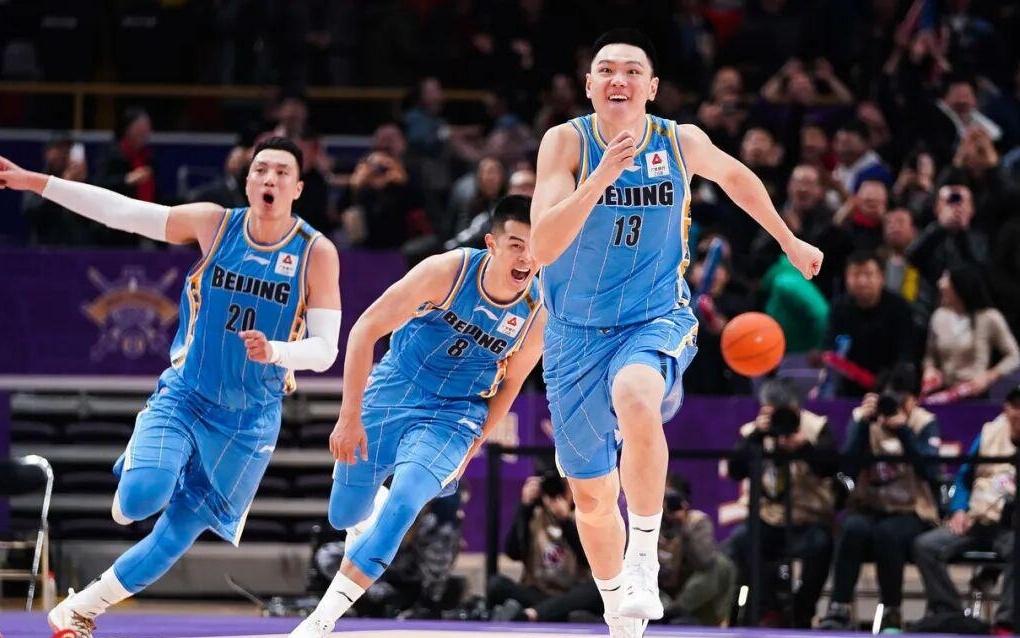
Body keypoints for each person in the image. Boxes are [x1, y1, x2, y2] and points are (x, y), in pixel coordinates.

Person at [529, 28, 823, 637]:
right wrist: (600, 177)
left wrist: (789, 240)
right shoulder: (565, 143)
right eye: (606, 69)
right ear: (589, 85)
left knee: (635, 395)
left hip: (653, 317)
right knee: (590, 498)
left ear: (652, 87)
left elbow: (738, 178)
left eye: (632, 70)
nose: (618, 79)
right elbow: (544, 244)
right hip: (574, 333)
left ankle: (644, 555)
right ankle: (618, 607)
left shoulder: (679, 140)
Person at [0, 136, 343, 638]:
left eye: (281, 172)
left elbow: (326, 350)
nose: (270, 178)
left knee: (177, 534)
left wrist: (275, 351)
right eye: (261, 169)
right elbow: (123, 212)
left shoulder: (316, 252)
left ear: (298, 187)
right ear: (248, 180)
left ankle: (78, 610)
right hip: (187, 396)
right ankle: (145, 471)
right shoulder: (214, 224)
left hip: (250, 420)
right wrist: (38, 182)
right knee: (140, 501)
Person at [289, 195, 546, 637]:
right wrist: (349, 416)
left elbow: (512, 384)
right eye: (516, 245)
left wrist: (475, 445)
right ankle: (370, 509)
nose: (526, 258)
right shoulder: (445, 272)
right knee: (342, 516)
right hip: (396, 387)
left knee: (407, 500)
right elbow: (365, 330)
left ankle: (321, 621)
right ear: (491, 244)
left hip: (456, 412)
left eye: (535, 247)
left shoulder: (539, 311)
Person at [819, 364, 941, 632]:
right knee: (851, 528)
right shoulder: (863, 419)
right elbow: (847, 470)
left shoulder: (924, 423)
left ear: (913, 400)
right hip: (868, 506)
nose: (892, 405)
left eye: (900, 400)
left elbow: (930, 472)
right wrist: (862, 425)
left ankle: (892, 611)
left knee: (888, 534)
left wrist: (904, 432)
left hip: (911, 510)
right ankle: (838, 608)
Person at [724, 378, 837, 628]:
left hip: (808, 518)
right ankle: (767, 610)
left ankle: (802, 610)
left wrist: (805, 448)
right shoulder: (753, 431)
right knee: (744, 540)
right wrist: (756, 436)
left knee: (822, 544)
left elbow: (831, 469)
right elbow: (735, 471)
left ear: (797, 407)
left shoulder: (816, 427)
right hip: (768, 517)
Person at [913, 386, 1020, 633]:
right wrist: (959, 509)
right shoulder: (989, 433)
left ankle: (1005, 622)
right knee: (925, 546)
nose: (1018, 412)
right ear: (1006, 408)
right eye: (1015, 406)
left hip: (1010, 529)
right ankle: (951, 615)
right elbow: (963, 477)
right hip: (976, 522)